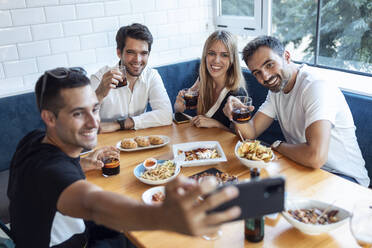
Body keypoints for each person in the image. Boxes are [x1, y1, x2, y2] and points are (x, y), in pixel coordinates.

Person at [7, 67, 241, 247]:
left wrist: (82, 162)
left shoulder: (34, 139)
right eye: (78, 113)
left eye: (95, 109)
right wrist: (164, 217)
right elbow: (94, 204)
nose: (93, 122)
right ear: (50, 117)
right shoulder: (54, 174)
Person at [223, 35, 370, 187]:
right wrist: (237, 113)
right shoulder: (276, 90)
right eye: (257, 73)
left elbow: (315, 157)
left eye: (269, 65)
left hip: (345, 179)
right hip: (305, 169)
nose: (265, 76)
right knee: (244, 190)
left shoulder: (315, 87)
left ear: (286, 57)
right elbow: (250, 133)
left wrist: (277, 145)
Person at [91, 23, 172, 132]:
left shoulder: (151, 75)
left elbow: (166, 115)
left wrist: (120, 124)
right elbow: (81, 120)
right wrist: (99, 93)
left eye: (143, 53)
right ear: (119, 52)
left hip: (137, 141)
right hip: (105, 142)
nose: (138, 59)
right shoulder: (100, 77)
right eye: (131, 52)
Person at [174, 30, 246, 130]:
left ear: (232, 60)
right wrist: (179, 107)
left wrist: (216, 124)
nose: (216, 60)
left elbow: (240, 138)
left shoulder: (237, 93)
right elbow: (184, 104)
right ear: (205, 56)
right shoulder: (202, 79)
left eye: (224, 55)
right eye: (212, 53)